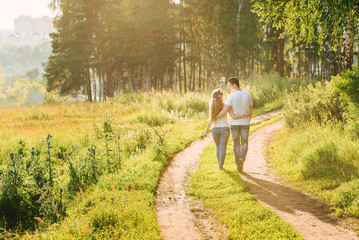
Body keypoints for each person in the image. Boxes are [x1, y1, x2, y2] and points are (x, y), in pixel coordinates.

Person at [203, 89, 249, 170]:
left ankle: (219, 166)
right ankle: (221, 166)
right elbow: (233, 115)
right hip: (225, 128)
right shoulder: (226, 105)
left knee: (218, 147)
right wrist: (244, 115)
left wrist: (206, 131)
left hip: (215, 129)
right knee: (223, 147)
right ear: (222, 96)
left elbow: (210, 119)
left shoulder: (212, 105)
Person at [216, 77, 253, 173]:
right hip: (245, 123)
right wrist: (247, 121)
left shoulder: (231, 97)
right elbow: (250, 112)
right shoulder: (248, 95)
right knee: (245, 142)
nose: (229, 87)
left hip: (234, 124)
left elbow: (225, 111)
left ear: (234, 85)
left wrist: (214, 117)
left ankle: (237, 163)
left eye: (229, 85)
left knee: (236, 143)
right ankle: (242, 158)